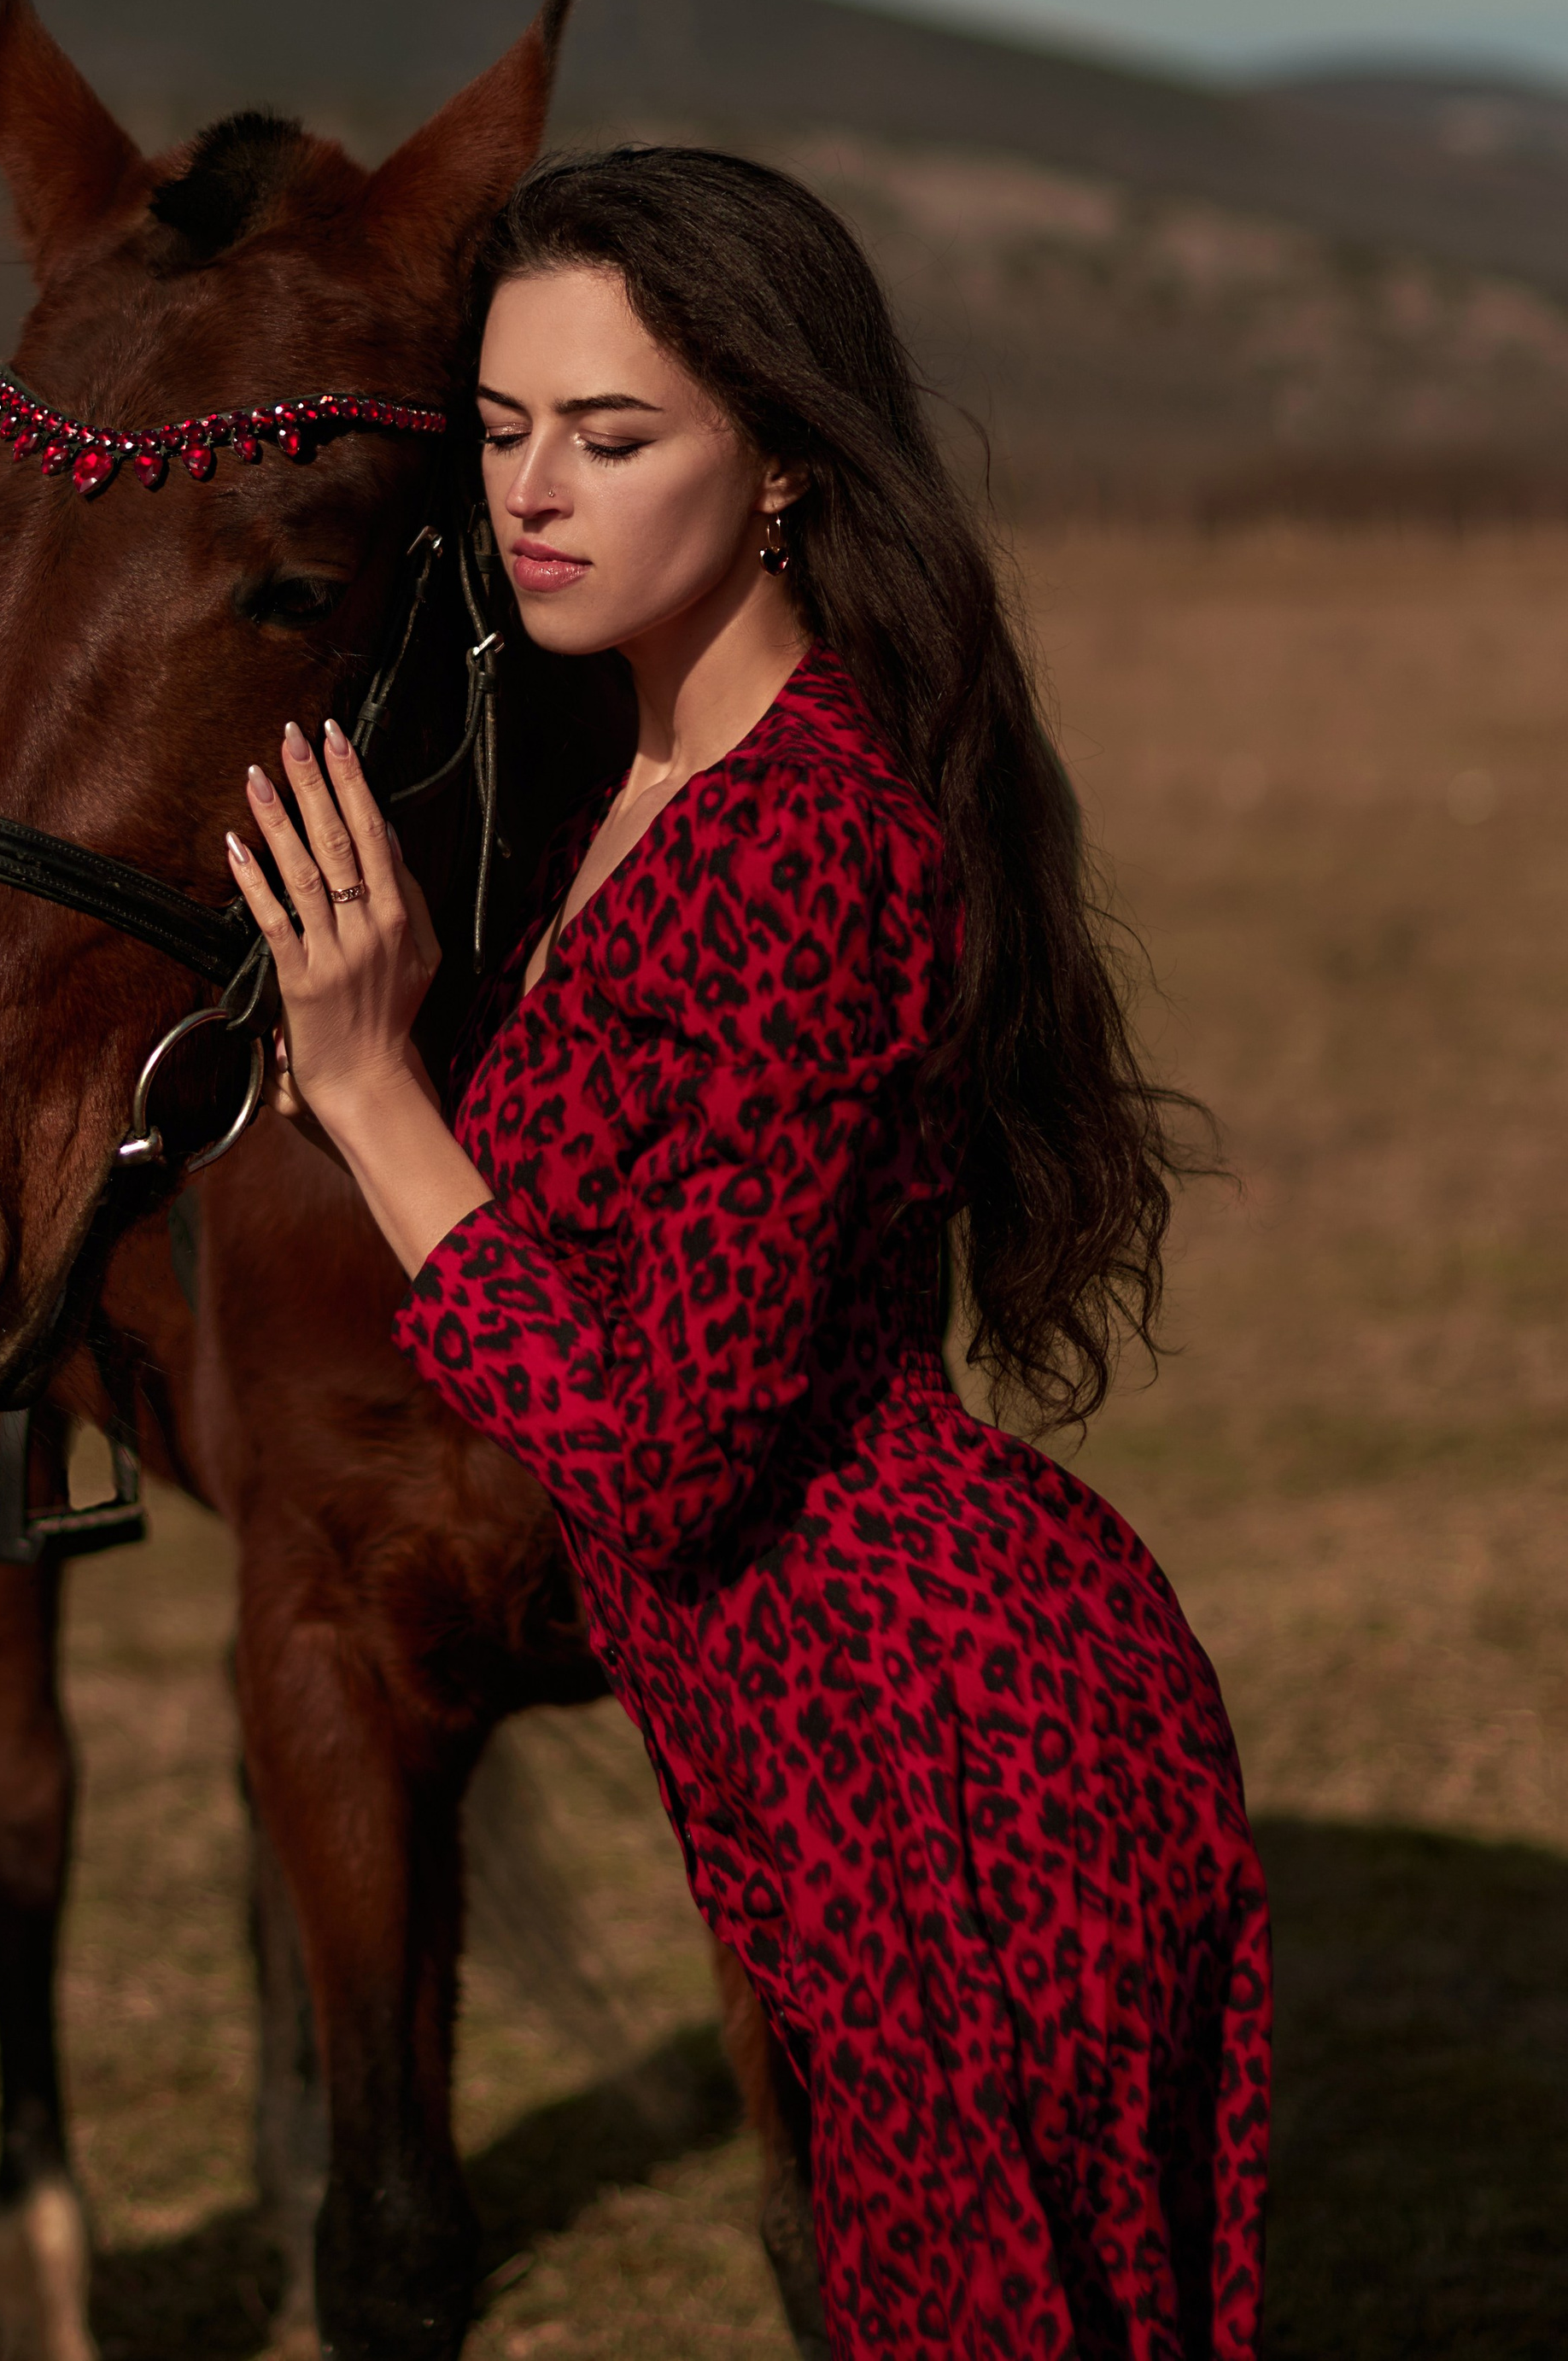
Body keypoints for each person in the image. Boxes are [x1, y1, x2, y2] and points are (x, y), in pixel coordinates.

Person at [221, 146, 1269, 2359]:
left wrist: (384, 1099)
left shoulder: (809, 834)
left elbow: (657, 1450)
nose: (539, 493)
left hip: (951, 1744)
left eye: (614, 436)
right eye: (502, 433)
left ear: (785, 460)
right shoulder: (629, 790)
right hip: (803, 1754)